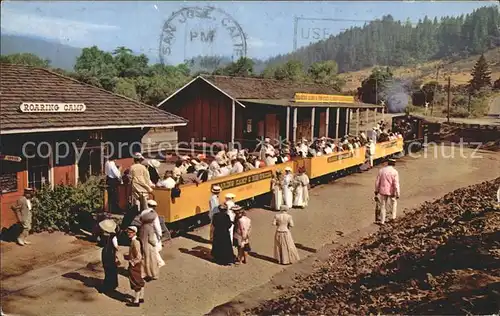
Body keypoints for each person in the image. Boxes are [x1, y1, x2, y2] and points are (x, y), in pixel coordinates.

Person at [374, 158, 400, 225]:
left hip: (383, 191)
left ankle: (382, 221)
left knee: (383, 206)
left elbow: (377, 182)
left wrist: (376, 190)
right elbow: (396, 183)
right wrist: (398, 193)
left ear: (388, 163)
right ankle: (393, 218)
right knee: (393, 204)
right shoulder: (395, 172)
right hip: (392, 191)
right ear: (394, 164)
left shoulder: (381, 171)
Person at [124, 226, 145, 307]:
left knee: (135, 281)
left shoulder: (135, 242)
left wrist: (132, 262)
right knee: (140, 280)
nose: (128, 234)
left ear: (134, 233)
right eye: (128, 232)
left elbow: (138, 256)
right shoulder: (136, 240)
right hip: (138, 264)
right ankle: (141, 297)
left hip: (135, 265)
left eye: (130, 232)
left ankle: (136, 301)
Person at [143, 200, 165, 268]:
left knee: (150, 248)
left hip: (145, 232)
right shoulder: (154, 214)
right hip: (152, 233)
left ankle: (157, 262)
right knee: (154, 248)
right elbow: (157, 226)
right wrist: (160, 234)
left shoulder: (144, 212)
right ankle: (159, 262)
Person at [99, 219, 119, 293]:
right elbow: (115, 247)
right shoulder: (111, 236)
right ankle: (111, 284)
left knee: (108, 269)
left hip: (108, 254)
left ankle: (109, 285)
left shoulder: (108, 236)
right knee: (110, 269)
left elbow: (116, 247)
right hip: (109, 253)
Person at [139, 210, 160, 280]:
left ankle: (143, 273)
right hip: (149, 246)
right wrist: (155, 244)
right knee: (152, 261)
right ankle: (153, 274)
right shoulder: (150, 228)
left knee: (144, 259)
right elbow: (151, 239)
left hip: (143, 244)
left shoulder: (142, 227)